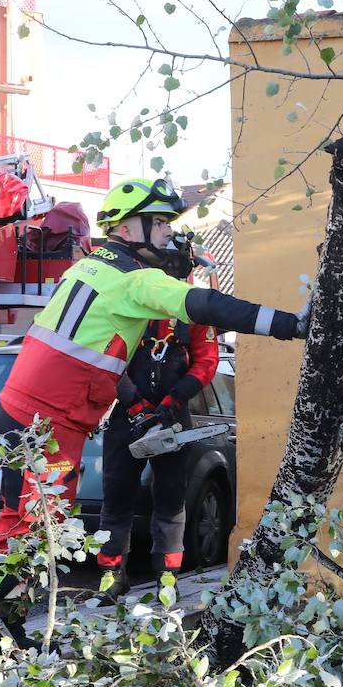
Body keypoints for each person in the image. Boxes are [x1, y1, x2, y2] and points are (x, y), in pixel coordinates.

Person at [0, 177, 306, 654]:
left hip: (30, 418)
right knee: (25, 539)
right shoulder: (134, 281)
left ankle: (6, 635)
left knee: (28, 534)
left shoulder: (90, 268)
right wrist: (292, 325)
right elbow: (205, 304)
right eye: (161, 223)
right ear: (129, 229)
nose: (170, 233)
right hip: (46, 427)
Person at [96, 232, 220, 601]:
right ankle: (110, 575)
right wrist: (134, 404)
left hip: (173, 415)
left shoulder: (194, 307)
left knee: (171, 497)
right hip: (126, 413)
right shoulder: (125, 294)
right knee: (116, 496)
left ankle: (167, 576)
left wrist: (170, 402)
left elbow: (207, 361)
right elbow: (106, 354)